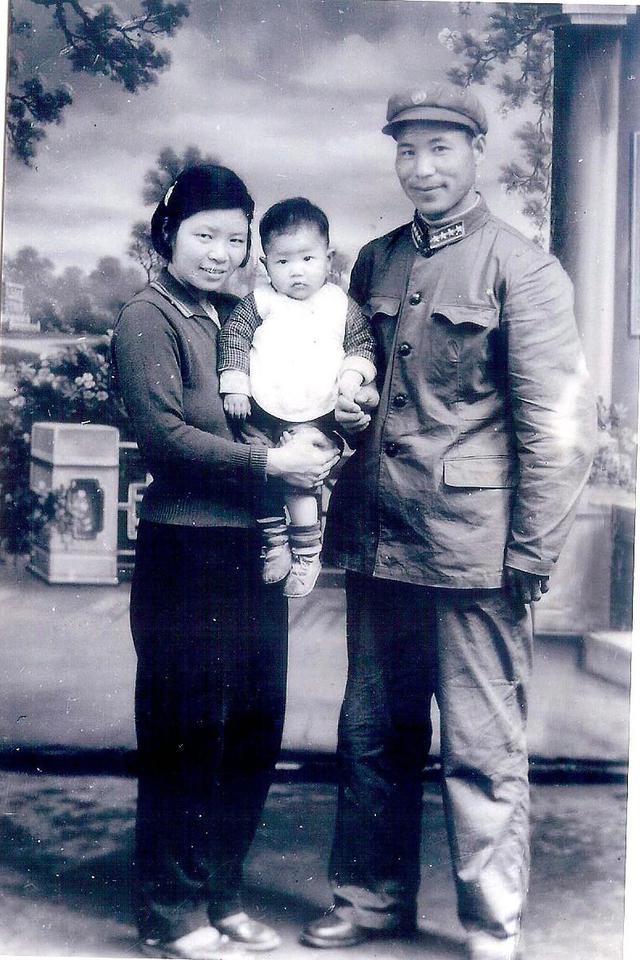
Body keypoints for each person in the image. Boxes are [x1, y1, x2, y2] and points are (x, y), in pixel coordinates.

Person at [300, 83, 596, 960]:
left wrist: (533, 548)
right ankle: (370, 900)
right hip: (380, 541)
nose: (421, 168)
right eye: (406, 150)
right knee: (371, 736)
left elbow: (559, 429)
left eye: (440, 149)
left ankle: (492, 924)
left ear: (475, 153)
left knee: (481, 747)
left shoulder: (523, 268)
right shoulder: (376, 262)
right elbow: (356, 388)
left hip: (476, 550)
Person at [111, 165, 340, 960]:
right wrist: (271, 464)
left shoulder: (235, 317)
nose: (221, 252)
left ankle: (222, 895)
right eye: (204, 235)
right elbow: (166, 439)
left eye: (236, 239)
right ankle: (171, 913)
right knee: (185, 732)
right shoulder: (148, 318)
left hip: (252, 548)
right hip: (186, 551)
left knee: (252, 728)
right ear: (167, 234)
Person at [218, 197, 377, 599]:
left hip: (318, 412)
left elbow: (362, 343)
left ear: (328, 258)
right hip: (264, 409)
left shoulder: (339, 304)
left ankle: (307, 553)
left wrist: (352, 378)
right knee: (259, 467)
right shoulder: (259, 302)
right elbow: (234, 337)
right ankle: (275, 542)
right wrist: (236, 383)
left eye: (308, 259)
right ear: (265, 264)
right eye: (283, 261)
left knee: (301, 478)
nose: (297, 271)